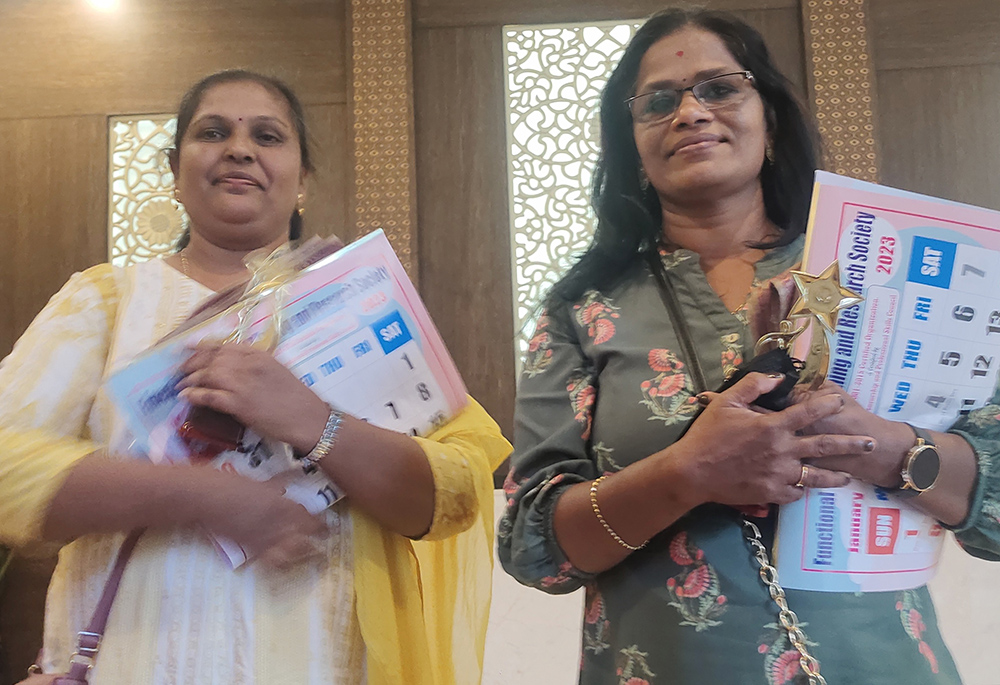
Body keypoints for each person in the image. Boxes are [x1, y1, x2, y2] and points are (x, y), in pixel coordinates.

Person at [498, 9, 999, 685]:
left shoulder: (883, 267)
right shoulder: (581, 311)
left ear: (770, 118)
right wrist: (686, 473)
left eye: (719, 88)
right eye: (659, 101)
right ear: (633, 146)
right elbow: (536, 548)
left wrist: (886, 446)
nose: (691, 112)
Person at [0, 69, 510, 685]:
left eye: (267, 136)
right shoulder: (108, 300)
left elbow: (455, 493)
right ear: (173, 167)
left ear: (303, 179)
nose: (239, 148)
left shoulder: (358, 306)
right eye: (213, 132)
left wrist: (314, 422)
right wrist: (208, 495)